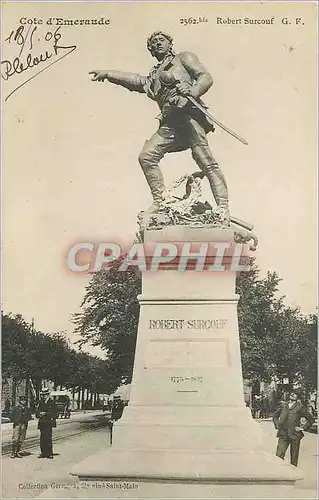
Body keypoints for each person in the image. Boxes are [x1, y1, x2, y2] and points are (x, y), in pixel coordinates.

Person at [89, 31, 229, 223]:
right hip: (170, 122)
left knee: (205, 160)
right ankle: (161, 201)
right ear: (151, 51)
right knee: (147, 157)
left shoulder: (183, 58)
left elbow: (205, 77)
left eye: (160, 40)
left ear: (170, 43)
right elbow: (138, 82)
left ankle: (223, 208)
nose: (157, 44)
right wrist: (109, 74)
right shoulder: (154, 77)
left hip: (188, 116)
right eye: (153, 44)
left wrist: (193, 90)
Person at [273, 389, 314, 467]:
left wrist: (303, 428)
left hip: (294, 435)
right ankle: (278, 474)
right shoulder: (283, 405)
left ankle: (293, 475)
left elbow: (311, 419)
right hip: (283, 434)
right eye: (292, 393)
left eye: (295, 394)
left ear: (298, 397)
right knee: (278, 456)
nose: (293, 394)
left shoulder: (300, 407)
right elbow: (275, 416)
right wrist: (277, 425)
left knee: (294, 458)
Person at [36, 387, 58, 459]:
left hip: (48, 422)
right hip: (42, 423)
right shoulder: (40, 402)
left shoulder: (52, 403)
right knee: (42, 438)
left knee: (48, 438)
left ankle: (49, 453)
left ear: (48, 394)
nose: (44, 396)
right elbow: (37, 413)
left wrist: (45, 413)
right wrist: (39, 414)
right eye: (42, 395)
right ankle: (43, 453)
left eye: (45, 394)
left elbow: (55, 414)